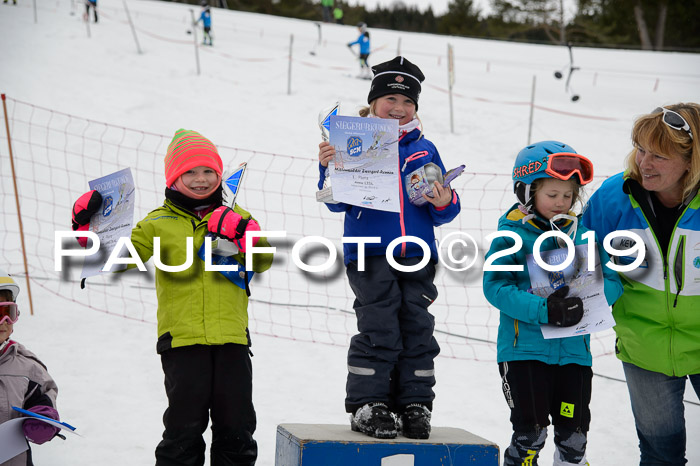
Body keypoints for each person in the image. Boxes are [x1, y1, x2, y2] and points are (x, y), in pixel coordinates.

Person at [71, 129, 274, 466]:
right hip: (181, 342)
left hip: (232, 340)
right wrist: (85, 228)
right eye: (189, 172)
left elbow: (262, 260)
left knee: (237, 428)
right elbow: (114, 260)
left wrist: (239, 231)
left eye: (208, 171)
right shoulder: (156, 223)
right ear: (173, 177)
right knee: (184, 429)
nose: (200, 179)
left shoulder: (237, 215)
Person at [317, 56, 461, 440]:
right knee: (379, 323)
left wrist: (443, 199)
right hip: (369, 253)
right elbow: (335, 202)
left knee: (417, 325)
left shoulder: (424, 148)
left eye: (407, 103)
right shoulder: (353, 141)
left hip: (417, 252)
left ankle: (414, 403)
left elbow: (447, 210)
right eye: (390, 101)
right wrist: (328, 167)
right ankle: (370, 403)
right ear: (374, 102)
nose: (399, 109)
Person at [483, 141, 623, 466]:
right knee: (531, 435)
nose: (562, 203)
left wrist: (592, 302)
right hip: (525, 353)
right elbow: (496, 288)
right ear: (527, 192)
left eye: (568, 195)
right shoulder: (511, 236)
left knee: (574, 438)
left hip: (574, 355)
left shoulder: (584, 235)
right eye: (552, 195)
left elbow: (612, 281)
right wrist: (545, 310)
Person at [581, 103, 700, 465]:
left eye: (659, 156)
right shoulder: (615, 197)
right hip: (643, 350)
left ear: (691, 160)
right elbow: (583, 264)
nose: (644, 163)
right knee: (660, 454)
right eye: (640, 149)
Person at [1, 268, 62, 466]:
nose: (4, 322)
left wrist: (43, 419)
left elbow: (42, 400)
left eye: (8, 312)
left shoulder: (27, 367)